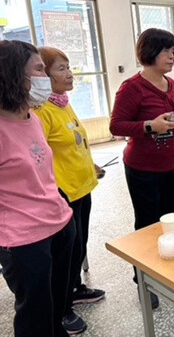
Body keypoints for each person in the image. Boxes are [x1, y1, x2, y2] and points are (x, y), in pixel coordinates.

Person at [0, 40, 75, 337]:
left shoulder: (33, 119)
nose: (46, 78)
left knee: (57, 304)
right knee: (35, 315)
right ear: (13, 75)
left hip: (58, 224)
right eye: (39, 70)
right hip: (23, 241)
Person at [109, 28, 174, 309]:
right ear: (150, 53)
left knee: (167, 221)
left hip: (172, 163)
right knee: (146, 224)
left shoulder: (172, 84)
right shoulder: (132, 88)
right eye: (167, 51)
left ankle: (162, 271)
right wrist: (150, 125)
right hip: (143, 168)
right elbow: (116, 126)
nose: (172, 57)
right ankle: (143, 279)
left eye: (173, 51)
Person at [34, 46, 105, 335]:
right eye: (60, 68)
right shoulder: (41, 112)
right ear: (43, 75)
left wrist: (92, 164)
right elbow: (39, 159)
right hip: (62, 193)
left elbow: (74, 142)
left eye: (69, 66)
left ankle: (73, 289)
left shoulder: (62, 102)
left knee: (80, 245)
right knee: (67, 252)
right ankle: (62, 310)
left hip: (82, 186)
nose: (69, 73)